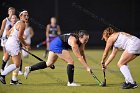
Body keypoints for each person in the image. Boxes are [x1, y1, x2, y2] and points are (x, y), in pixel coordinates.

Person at [24, 30, 91, 86]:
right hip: (58, 45)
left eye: (87, 40)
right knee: (70, 61)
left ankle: (29, 68)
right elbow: (79, 57)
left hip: (55, 43)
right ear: (80, 37)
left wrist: (86, 65)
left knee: (49, 63)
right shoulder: (74, 42)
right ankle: (70, 82)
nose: (86, 41)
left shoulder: (82, 43)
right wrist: (87, 67)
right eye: (85, 39)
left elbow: (82, 53)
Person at [0, 10, 30, 84]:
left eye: (27, 15)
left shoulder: (17, 22)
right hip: (13, 45)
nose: (26, 17)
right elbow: (20, 36)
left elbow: (8, 33)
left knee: (17, 63)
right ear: (20, 16)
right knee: (17, 64)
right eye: (24, 15)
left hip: (9, 43)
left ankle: (13, 80)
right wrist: (25, 44)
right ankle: (3, 75)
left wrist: (15, 39)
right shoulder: (23, 24)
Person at [0, 7, 15, 73]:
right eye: (11, 11)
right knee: (6, 53)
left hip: (11, 40)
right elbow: (2, 29)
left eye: (13, 12)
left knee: (10, 54)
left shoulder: (14, 20)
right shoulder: (5, 20)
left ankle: (5, 68)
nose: (12, 13)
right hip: (5, 39)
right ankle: (3, 68)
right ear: (8, 12)